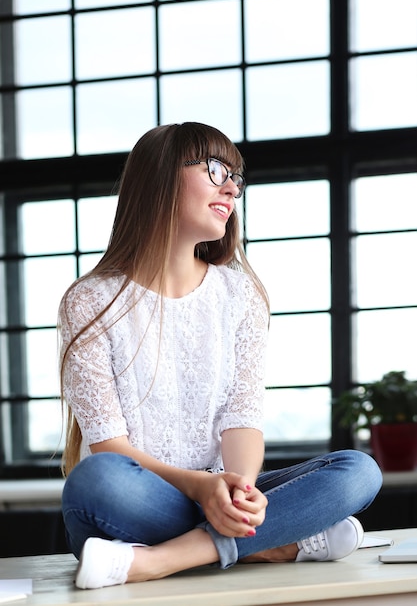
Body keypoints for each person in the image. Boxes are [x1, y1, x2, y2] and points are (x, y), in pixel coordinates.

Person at [59, 122, 382, 590]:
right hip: (139, 501)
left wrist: (239, 488)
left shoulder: (240, 294)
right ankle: (275, 544)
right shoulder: (88, 301)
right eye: (215, 170)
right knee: (97, 479)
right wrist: (200, 488)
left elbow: (242, 418)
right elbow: (111, 447)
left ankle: (161, 560)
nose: (232, 188)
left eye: (236, 177)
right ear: (159, 179)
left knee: (358, 471)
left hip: (218, 490)